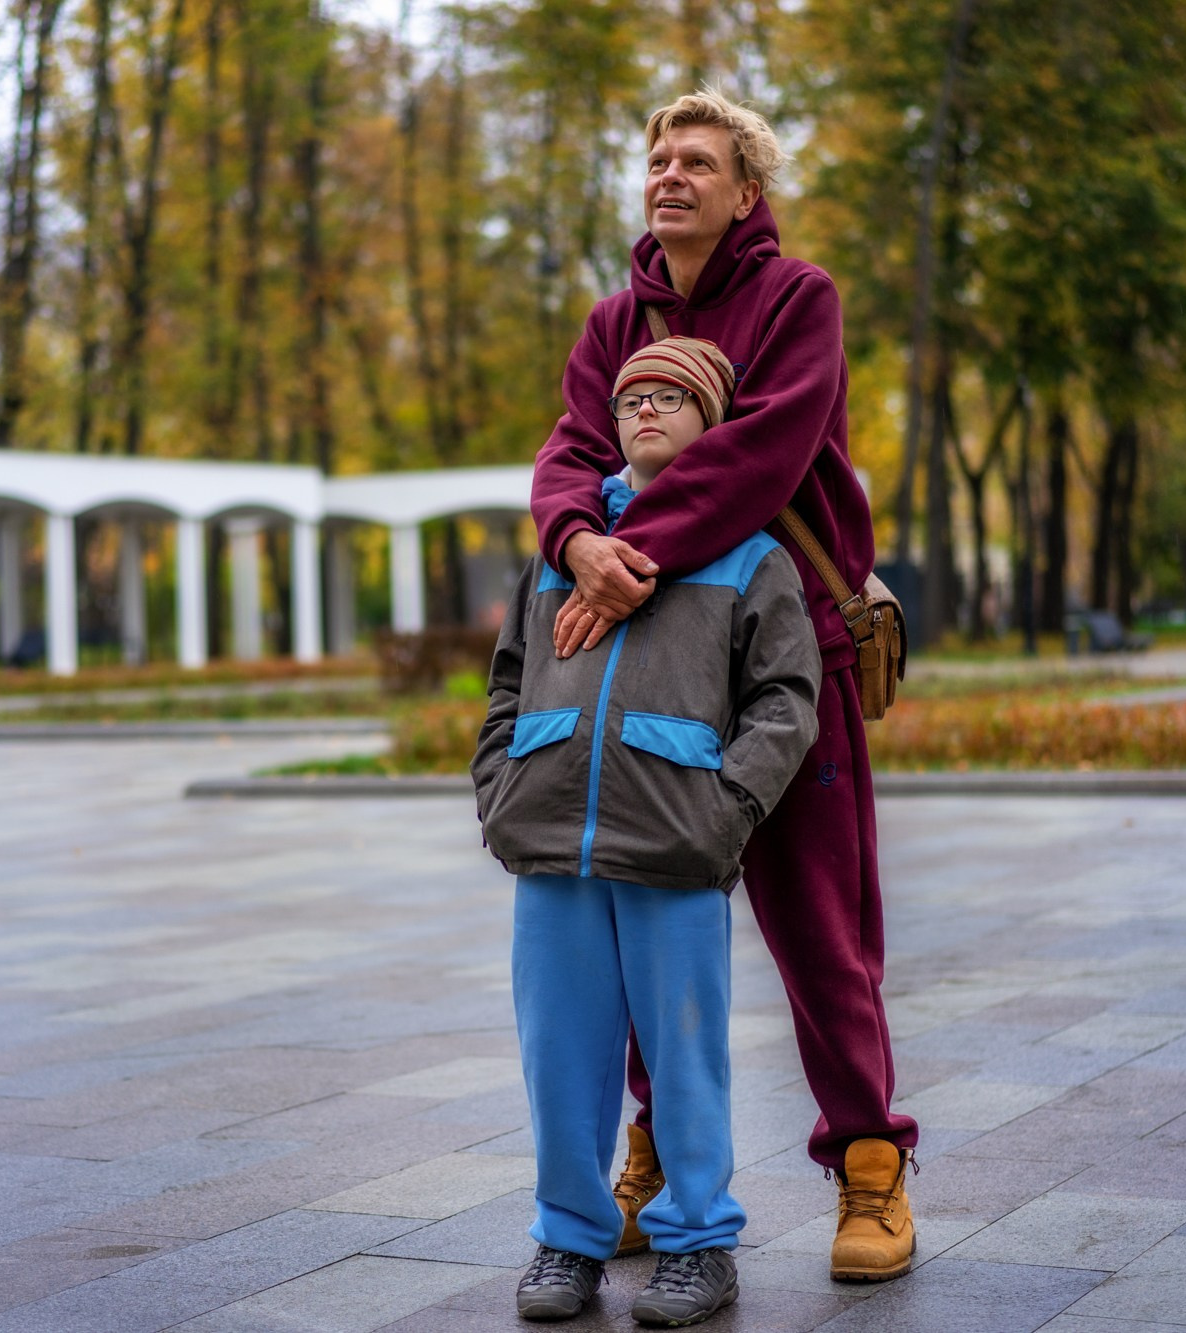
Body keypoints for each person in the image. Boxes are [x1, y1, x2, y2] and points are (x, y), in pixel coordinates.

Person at [530, 89, 921, 1284]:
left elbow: (764, 451)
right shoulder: (612, 320)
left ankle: (868, 1163)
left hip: (784, 651)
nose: (669, 175)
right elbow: (569, 451)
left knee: (820, 928)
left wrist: (623, 552)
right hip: (648, 667)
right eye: (655, 158)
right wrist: (569, 540)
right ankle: (650, 1151)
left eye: (696, 160)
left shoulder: (798, 300)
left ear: (745, 190)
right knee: (649, 912)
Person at [474, 334, 822, 1326]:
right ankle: (568, 1241)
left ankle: (699, 1242)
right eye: (631, 399)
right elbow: (508, 681)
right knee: (559, 1058)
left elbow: (784, 702)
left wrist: (726, 809)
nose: (645, 411)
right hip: (550, 848)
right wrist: (498, 786)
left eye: (672, 397)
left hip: (674, 848)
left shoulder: (750, 557)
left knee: (684, 1054)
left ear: (712, 421)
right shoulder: (561, 551)